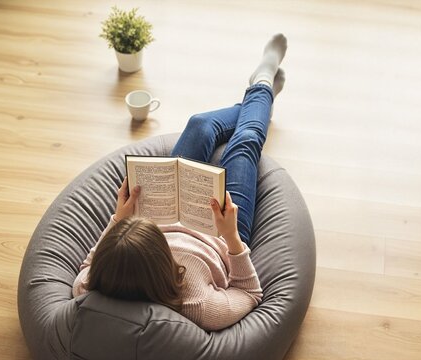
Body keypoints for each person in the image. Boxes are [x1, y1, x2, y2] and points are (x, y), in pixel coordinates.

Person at [72, 34, 288, 331]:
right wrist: (232, 238)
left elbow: (87, 266)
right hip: (219, 234)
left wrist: (119, 219)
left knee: (200, 124)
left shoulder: (87, 287)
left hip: (165, 205)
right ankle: (262, 85)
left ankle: (258, 100)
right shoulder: (199, 304)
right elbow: (250, 294)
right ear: (163, 264)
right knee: (245, 142)